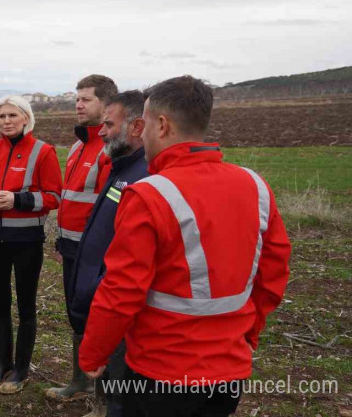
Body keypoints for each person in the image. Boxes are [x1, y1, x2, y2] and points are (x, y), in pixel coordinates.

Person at [79, 76, 292, 416]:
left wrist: (92, 353)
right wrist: (248, 334)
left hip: (159, 373)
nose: (142, 132)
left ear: (161, 125)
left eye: (145, 124)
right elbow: (273, 273)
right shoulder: (255, 186)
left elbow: (121, 290)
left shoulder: (148, 195)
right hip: (229, 372)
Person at [46, 91, 149, 417]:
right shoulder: (116, 163)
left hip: (109, 276)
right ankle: (92, 393)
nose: (103, 130)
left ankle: (107, 403)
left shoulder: (140, 174)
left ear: (136, 127)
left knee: (115, 342)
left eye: (109, 122)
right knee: (83, 321)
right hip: (79, 253)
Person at [0, 95, 63, 394]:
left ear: (26, 118)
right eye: (2, 116)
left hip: (26, 241)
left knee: (25, 306)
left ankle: (20, 370)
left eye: (12, 115)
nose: (7, 121)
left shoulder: (43, 151)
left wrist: (16, 199)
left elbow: (54, 197)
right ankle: (2, 366)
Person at [52, 74, 118, 401]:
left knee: (98, 321)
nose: (78, 104)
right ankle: (80, 382)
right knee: (76, 315)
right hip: (71, 247)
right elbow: (70, 199)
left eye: (86, 99)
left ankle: (103, 398)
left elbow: (108, 211)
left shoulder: (110, 149)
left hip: (95, 253)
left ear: (106, 104)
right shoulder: (78, 146)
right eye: (77, 98)